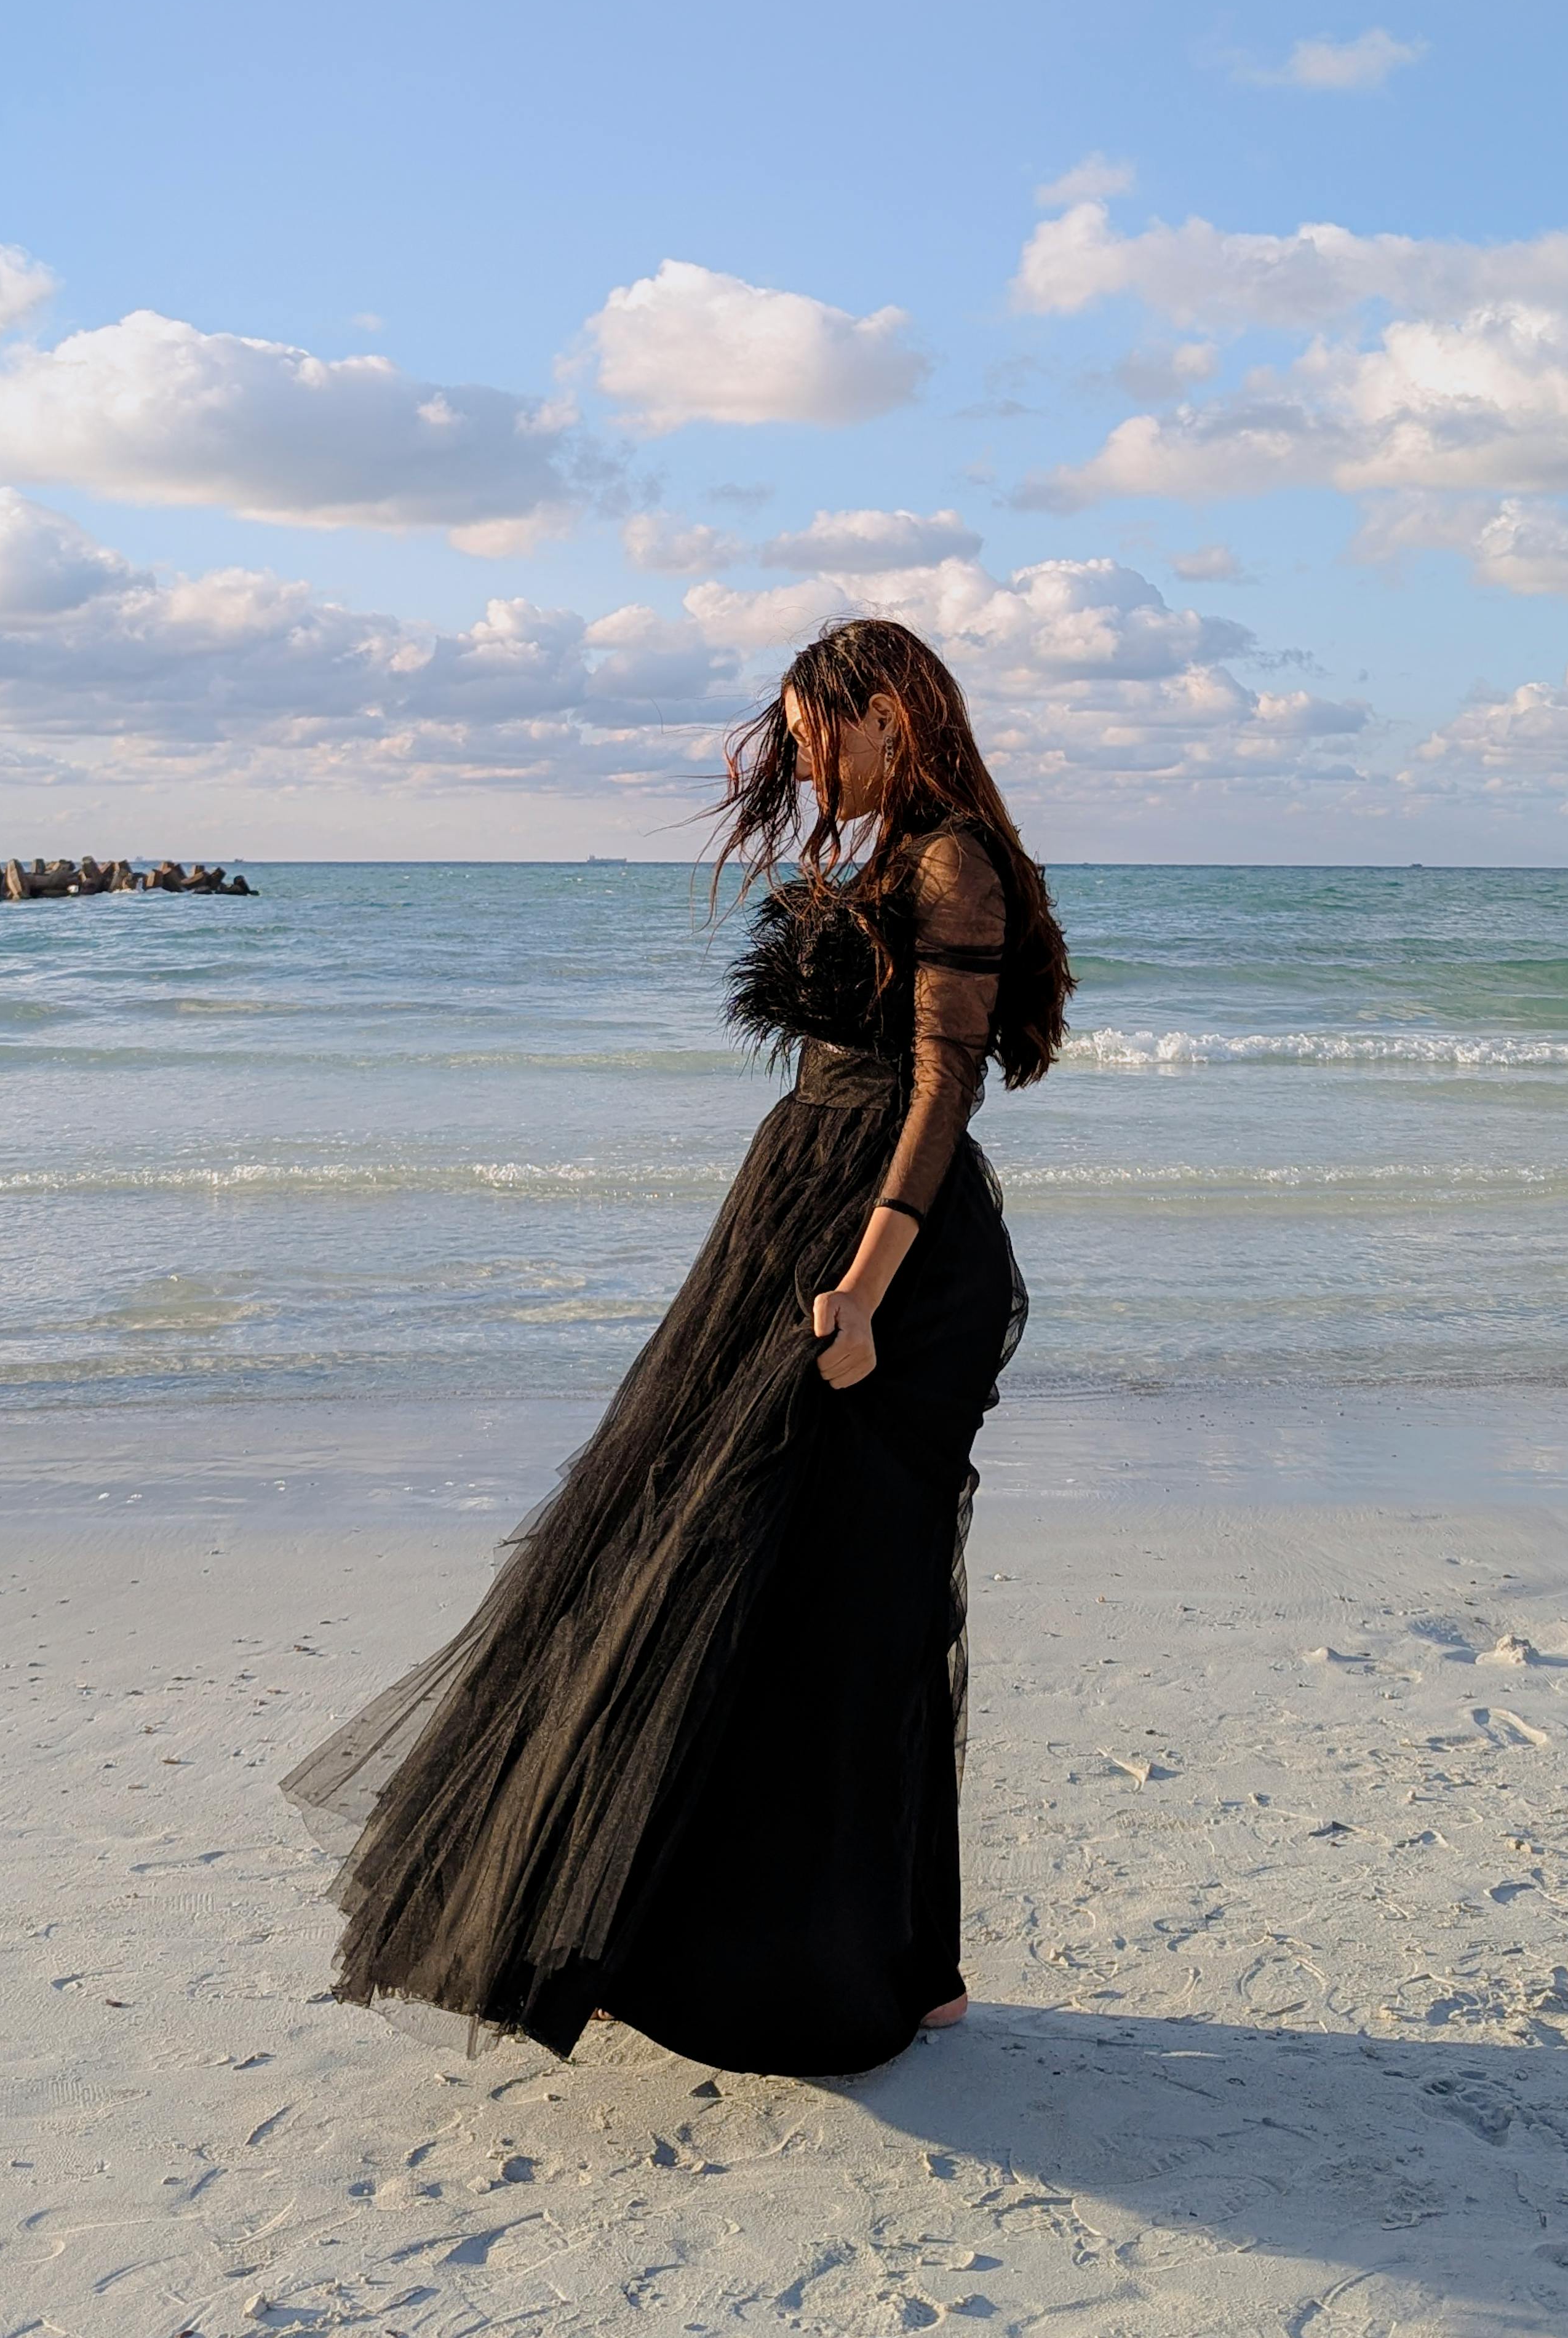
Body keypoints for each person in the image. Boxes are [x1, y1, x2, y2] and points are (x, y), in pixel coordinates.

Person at [284, 617, 1072, 2076]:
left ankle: (876, 1967)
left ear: (885, 719)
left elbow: (942, 1087)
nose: (792, 758)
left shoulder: (950, 858)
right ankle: (903, 1958)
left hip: (887, 1255)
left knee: (857, 1594)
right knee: (767, 1575)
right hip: (802, 1225)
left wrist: (863, 1283)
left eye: (808, 730)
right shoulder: (884, 859)